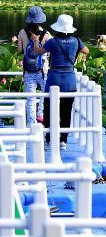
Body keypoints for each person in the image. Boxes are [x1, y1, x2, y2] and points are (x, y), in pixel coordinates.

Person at [30, 14, 88, 149]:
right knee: (66, 112)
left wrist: (35, 40)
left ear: (58, 28)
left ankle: (49, 139)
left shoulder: (53, 42)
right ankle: (63, 141)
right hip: (69, 79)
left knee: (49, 111)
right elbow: (86, 51)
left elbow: (37, 52)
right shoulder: (76, 41)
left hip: (54, 78)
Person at [16, 6, 51, 125]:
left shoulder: (22, 32)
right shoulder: (46, 34)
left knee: (30, 98)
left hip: (28, 71)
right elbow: (49, 51)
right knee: (46, 94)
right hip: (43, 70)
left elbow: (20, 50)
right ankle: (40, 114)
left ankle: (31, 124)